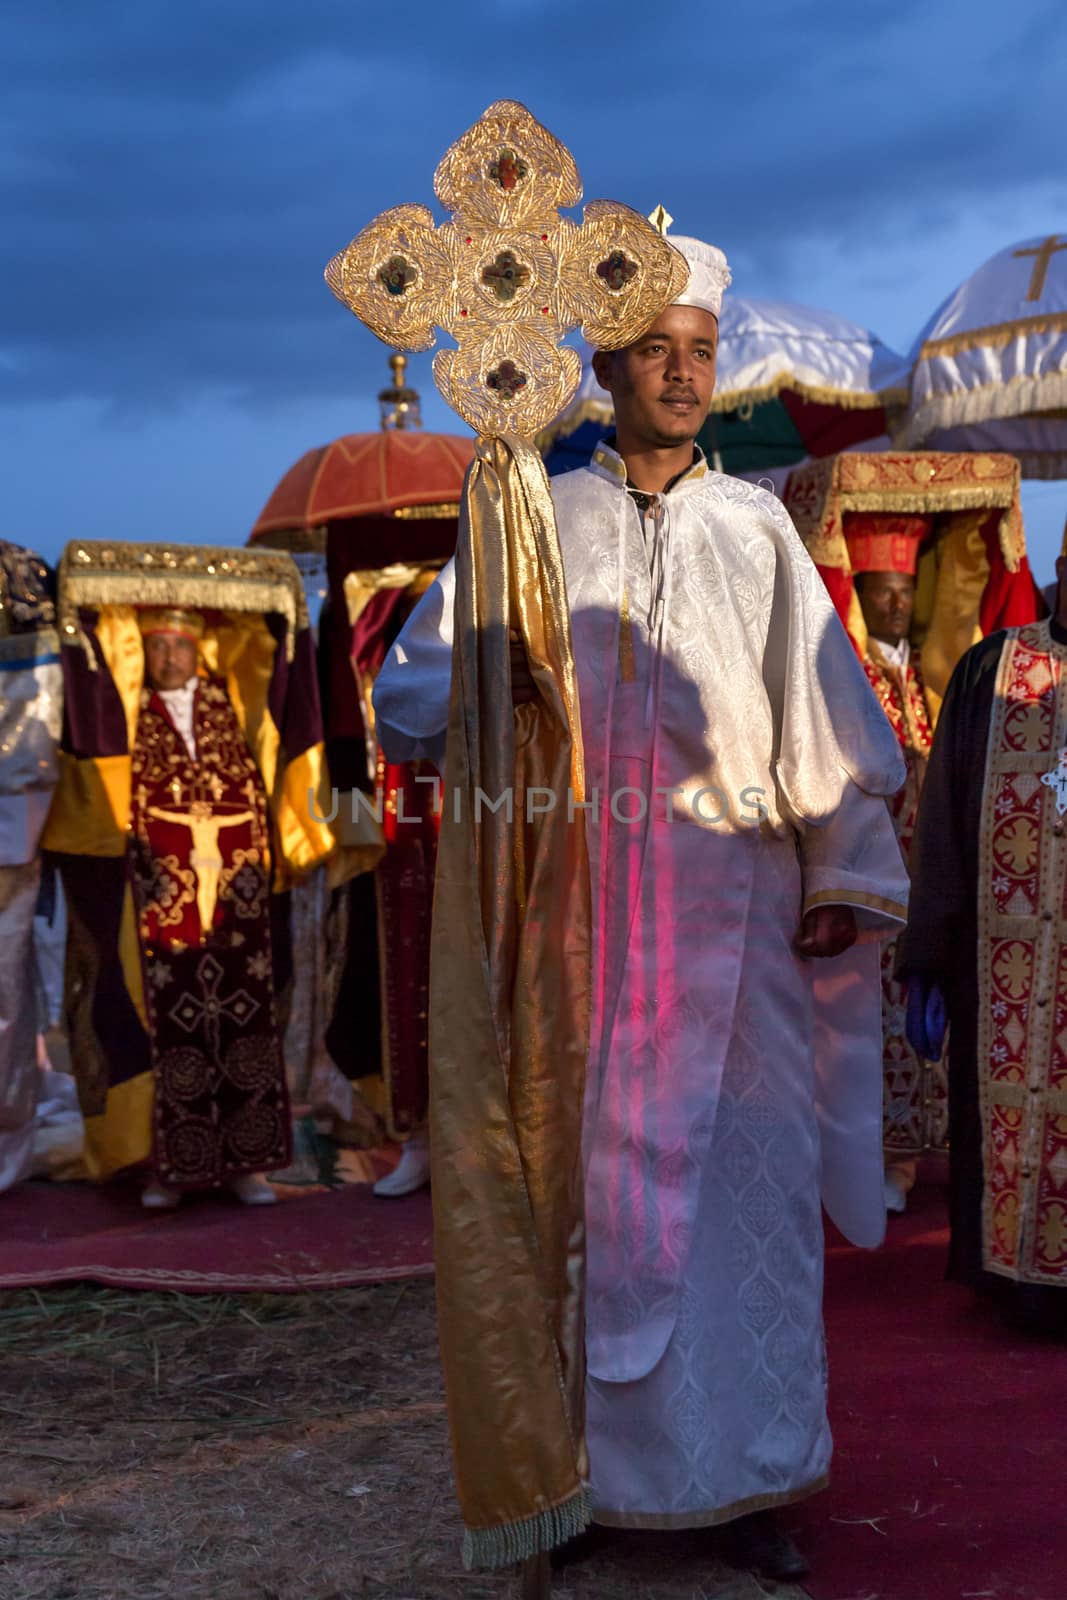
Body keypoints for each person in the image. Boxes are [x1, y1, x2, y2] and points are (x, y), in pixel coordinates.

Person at [373, 234, 911, 1580]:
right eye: (653, 350)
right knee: (590, 1207)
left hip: (741, 929)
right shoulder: (537, 523)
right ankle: (581, 1490)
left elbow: (826, 714)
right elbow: (412, 702)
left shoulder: (754, 530)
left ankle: (745, 1487)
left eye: (698, 351)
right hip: (582, 941)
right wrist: (493, 654)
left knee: (749, 1205)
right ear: (601, 363)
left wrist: (839, 872)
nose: (679, 374)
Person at [46, 552, 337, 1212]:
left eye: (178, 646)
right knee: (162, 1030)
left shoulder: (228, 718)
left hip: (235, 905)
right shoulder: (134, 723)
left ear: (197, 650)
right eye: (157, 647)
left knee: (242, 1030)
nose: (168, 659)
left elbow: (256, 801)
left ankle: (246, 1165)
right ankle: (164, 1168)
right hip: (163, 908)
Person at [899, 556, 1067, 1333]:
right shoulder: (989, 670)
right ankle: (1010, 1279)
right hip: (1003, 963)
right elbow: (942, 814)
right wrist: (927, 948)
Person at [848, 519, 944, 1213]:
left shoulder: (931, 675)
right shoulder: (851, 673)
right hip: (873, 878)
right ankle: (876, 1155)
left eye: (904, 592)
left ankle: (923, 1152)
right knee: (871, 1022)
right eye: (882, 592)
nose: (895, 605)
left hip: (929, 877)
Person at [0, 540, 62, 1193]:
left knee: (5, 992)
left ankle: (6, 1136)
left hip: (6, 824)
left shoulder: (16, 575)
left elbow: (36, 725)